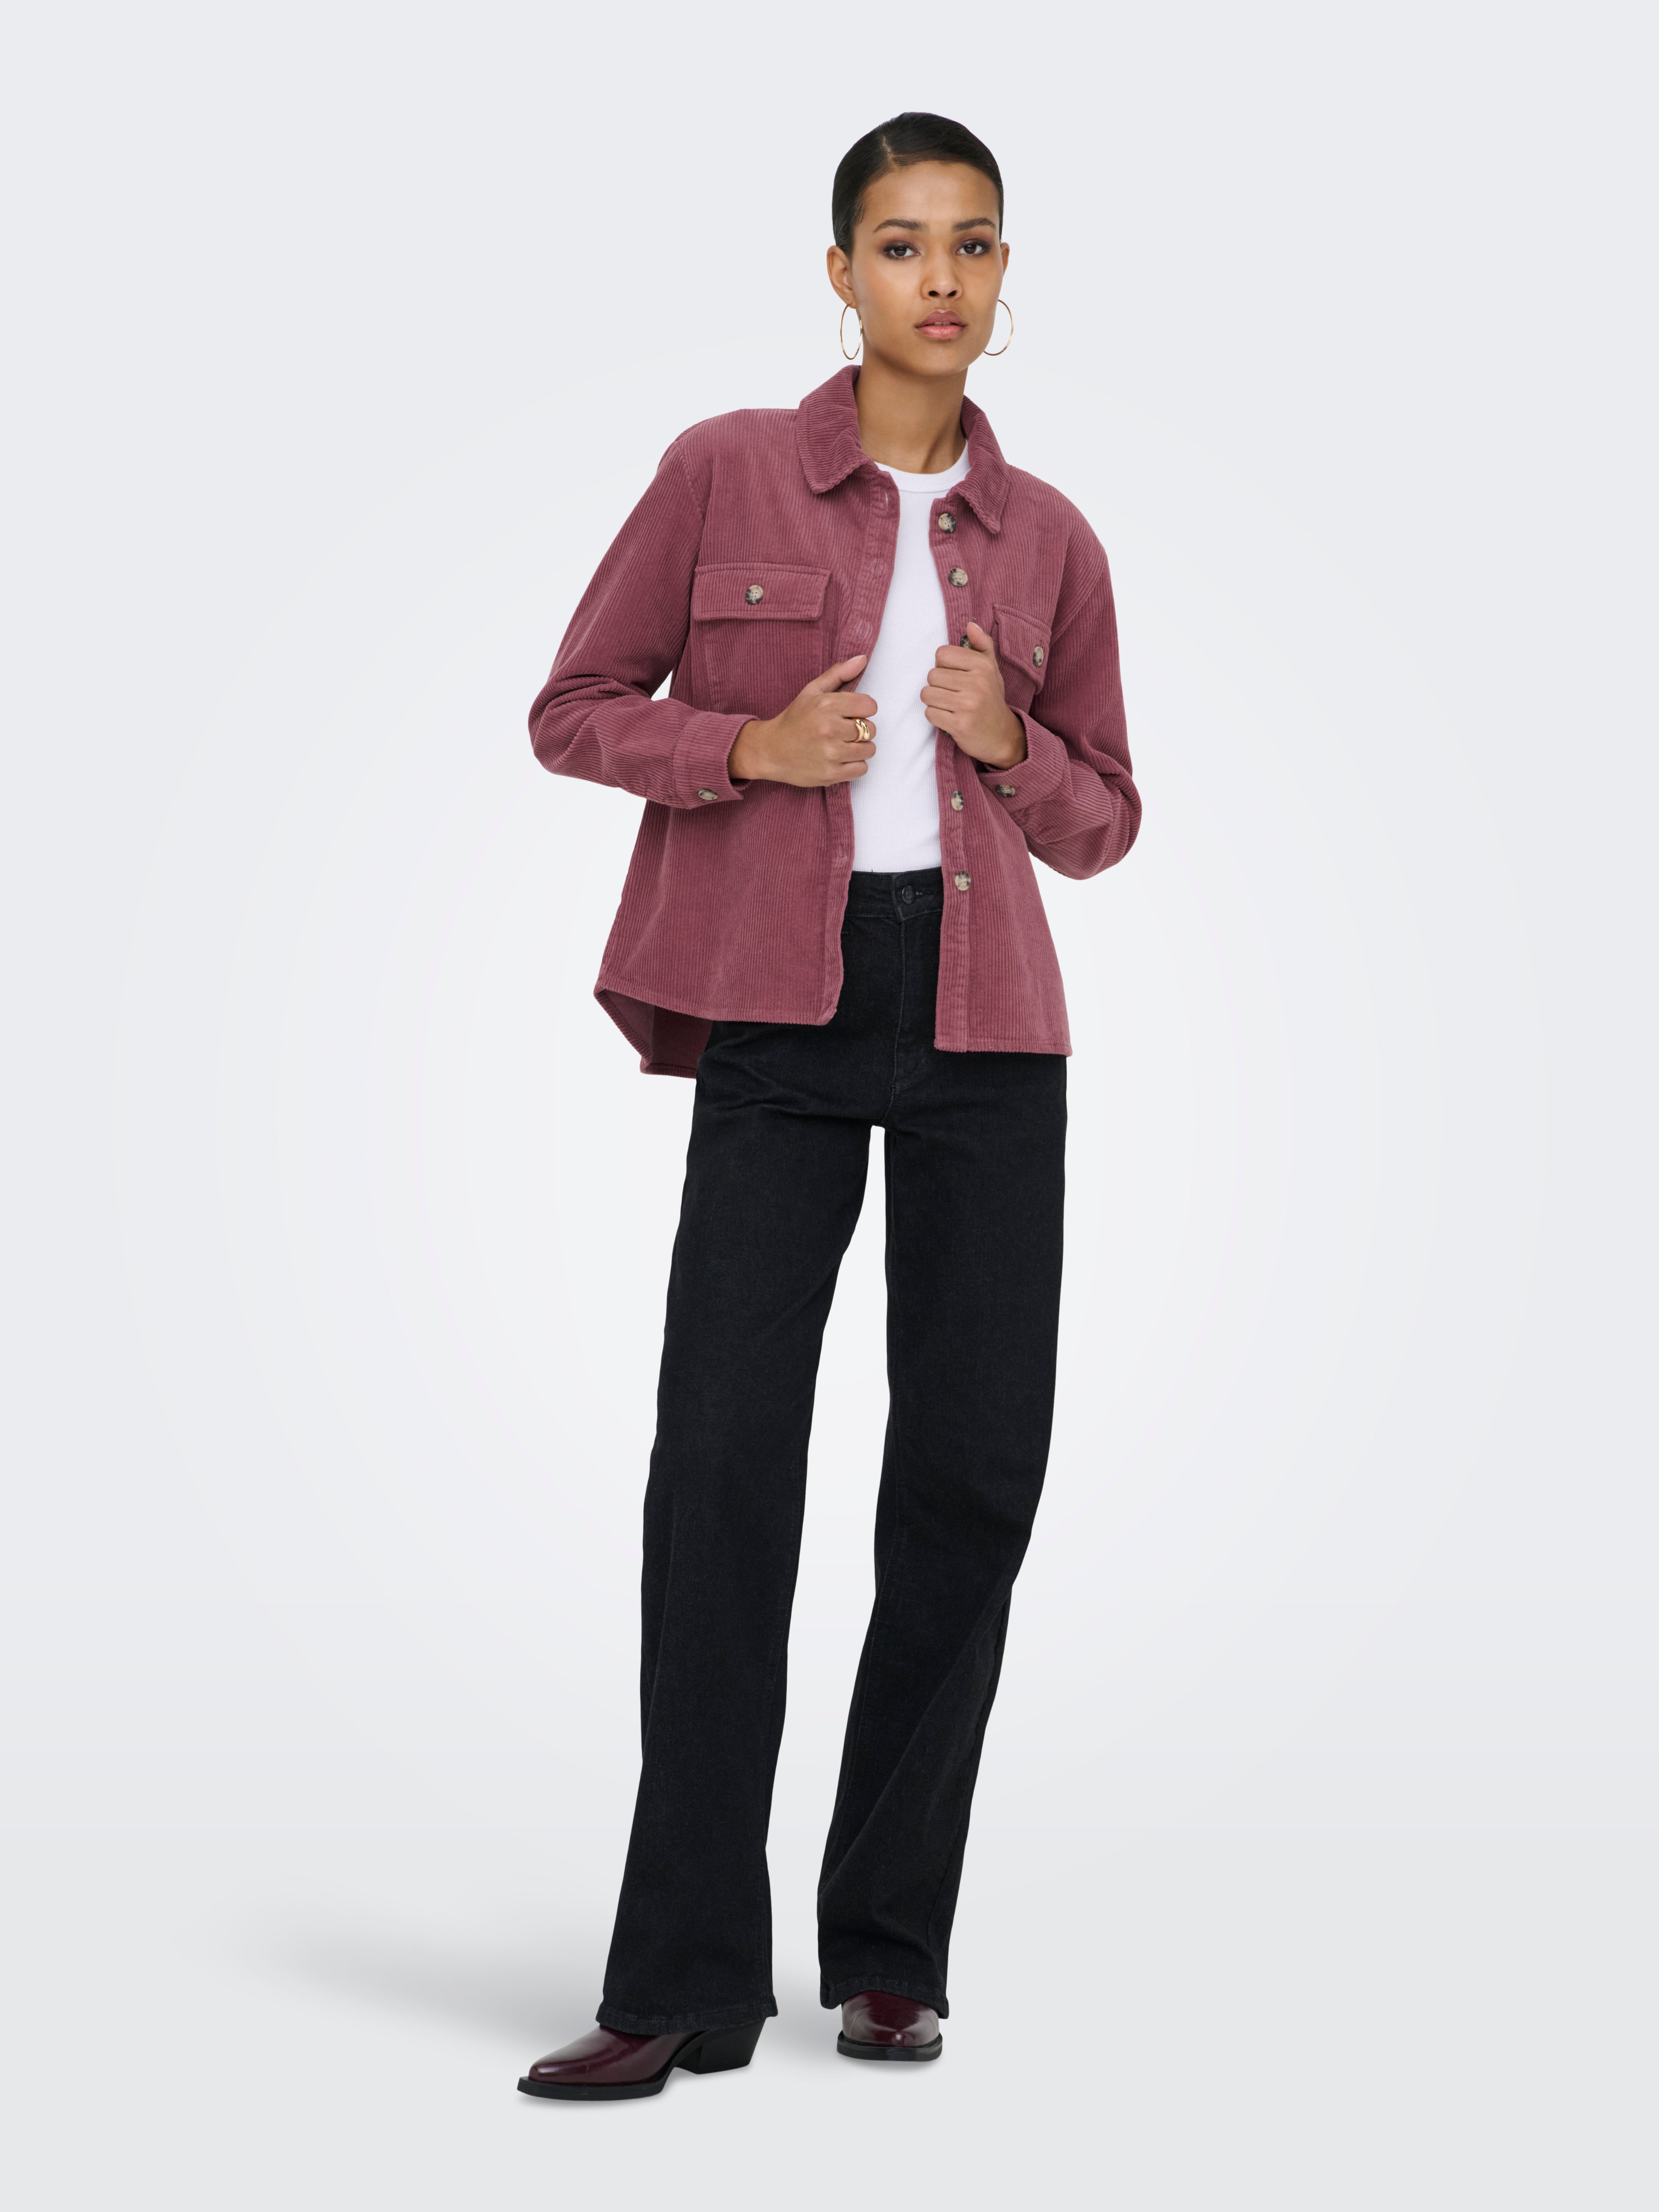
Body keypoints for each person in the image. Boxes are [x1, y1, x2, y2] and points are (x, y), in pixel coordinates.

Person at [517, 112, 1140, 2101]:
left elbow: (1105, 821)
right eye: (900, 242)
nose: (938, 278)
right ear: (842, 271)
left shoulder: (1051, 537)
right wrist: (749, 748)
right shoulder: (725, 469)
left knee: (969, 1477)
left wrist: (1011, 738)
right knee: (722, 1471)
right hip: (779, 1016)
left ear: (1004, 276)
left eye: (972, 244)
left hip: (986, 1027)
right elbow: (572, 708)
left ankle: (888, 1951)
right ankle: (686, 1974)